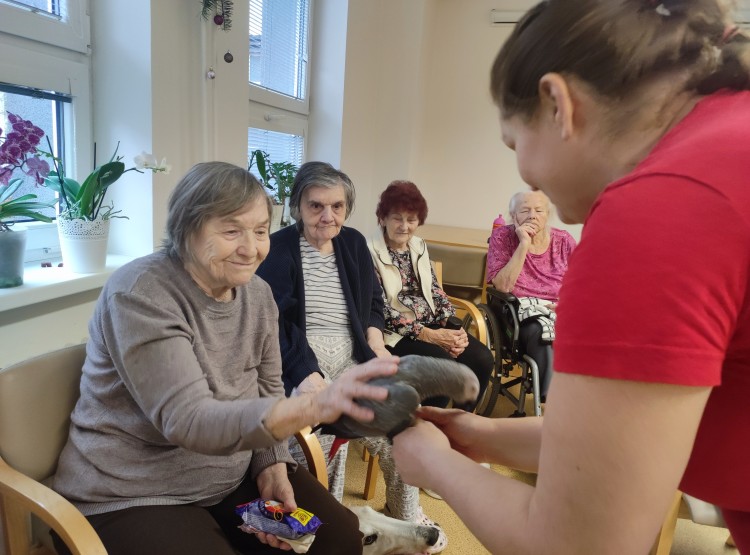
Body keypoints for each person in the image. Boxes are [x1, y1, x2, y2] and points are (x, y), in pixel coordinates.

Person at [392, 1, 750, 553]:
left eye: (515, 143)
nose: (525, 175)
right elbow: (630, 437)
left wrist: (434, 465)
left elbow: (577, 545)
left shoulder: (658, 208)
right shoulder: (728, 142)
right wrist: (482, 435)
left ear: (558, 104)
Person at [50, 162, 400, 555]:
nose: (251, 249)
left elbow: (266, 388)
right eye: (232, 231)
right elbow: (189, 420)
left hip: (229, 477)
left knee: (337, 538)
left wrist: (271, 465)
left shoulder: (258, 295)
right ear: (186, 229)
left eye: (261, 231)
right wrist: (315, 405)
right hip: (132, 490)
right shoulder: (140, 295)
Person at [256, 163, 448, 553]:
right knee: (320, 439)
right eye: (316, 206)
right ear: (297, 207)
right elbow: (275, 323)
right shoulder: (277, 249)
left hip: (355, 352)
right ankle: (336, 521)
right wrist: (308, 375)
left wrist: (376, 345)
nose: (328, 216)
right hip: (302, 358)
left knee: (402, 424)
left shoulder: (353, 243)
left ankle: (406, 512)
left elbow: (373, 304)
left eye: (338, 207)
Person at [368, 180, 493, 410]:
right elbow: (380, 309)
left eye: (412, 219)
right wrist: (429, 336)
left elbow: (436, 291)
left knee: (482, 359)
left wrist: (453, 328)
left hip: (431, 324)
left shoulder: (419, 246)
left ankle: (460, 426)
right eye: (397, 218)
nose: (404, 226)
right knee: (444, 369)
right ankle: (427, 433)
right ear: (383, 217)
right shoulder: (368, 251)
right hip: (396, 334)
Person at [485, 189, 576, 401]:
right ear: (513, 215)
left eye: (539, 210)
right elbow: (503, 286)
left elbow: (585, 283)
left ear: (547, 214)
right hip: (520, 312)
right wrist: (523, 244)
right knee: (542, 330)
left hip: (559, 309)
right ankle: (550, 400)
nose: (533, 216)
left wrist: (567, 305)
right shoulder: (503, 237)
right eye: (525, 211)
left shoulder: (564, 241)